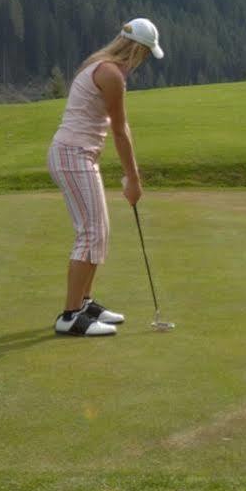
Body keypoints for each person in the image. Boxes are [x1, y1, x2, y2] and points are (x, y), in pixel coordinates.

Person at [47, 17, 163, 336]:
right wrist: (133, 180)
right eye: (145, 54)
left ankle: (83, 303)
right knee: (92, 232)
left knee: (98, 231)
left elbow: (122, 128)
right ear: (137, 50)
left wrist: (131, 176)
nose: (143, 61)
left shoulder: (102, 65)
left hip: (77, 154)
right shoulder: (111, 73)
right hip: (73, 154)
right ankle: (70, 317)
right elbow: (119, 131)